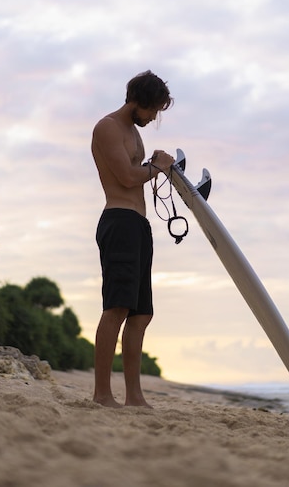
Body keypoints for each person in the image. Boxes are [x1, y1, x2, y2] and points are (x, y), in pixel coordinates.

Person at [91, 70, 174, 408]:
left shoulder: (134, 136)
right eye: (152, 109)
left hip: (139, 225)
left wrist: (155, 165)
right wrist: (159, 168)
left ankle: (134, 396)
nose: (154, 117)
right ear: (138, 101)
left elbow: (140, 175)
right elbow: (126, 177)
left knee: (141, 314)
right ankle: (101, 394)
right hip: (119, 221)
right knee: (118, 307)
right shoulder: (108, 127)